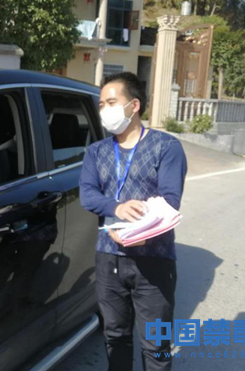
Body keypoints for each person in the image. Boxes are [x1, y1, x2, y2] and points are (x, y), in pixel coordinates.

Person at [79, 72, 188, 371]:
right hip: (109, 258)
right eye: (102, 104)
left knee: (157, 344)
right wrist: (116, 208)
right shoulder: (97, 151)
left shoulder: (166, 147)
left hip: (154, 259)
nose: (105, 110)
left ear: (134, 105)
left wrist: (139, 232)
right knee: (115, 336)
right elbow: (87, 194)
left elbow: (170, 200)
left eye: (112, 102)